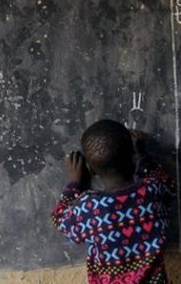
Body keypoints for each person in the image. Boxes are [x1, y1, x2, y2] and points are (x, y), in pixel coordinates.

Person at [51, 120, 174, 283]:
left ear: (90, 169)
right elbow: (168, 185)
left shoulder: (89, 209)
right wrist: (143, 157)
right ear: (133, 159)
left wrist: (75, 183)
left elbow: (60, 219)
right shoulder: (153, 191)